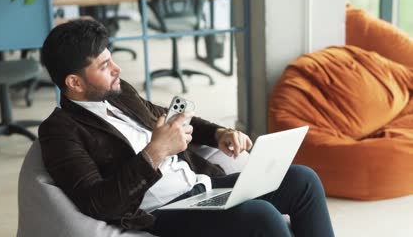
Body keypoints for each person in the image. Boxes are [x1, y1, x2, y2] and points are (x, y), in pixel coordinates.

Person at [38, 19, 335, 237]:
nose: (117, 69)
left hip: (200, 190)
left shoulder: (119, 93)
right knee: (261, 216)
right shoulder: (60, 131)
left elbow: (167, 115)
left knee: (302, 179)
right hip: (163, 211)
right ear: (74, 83)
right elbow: (97, 203)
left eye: (112, 59)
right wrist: (155, 153)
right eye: (103, 66)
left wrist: (219, 134)